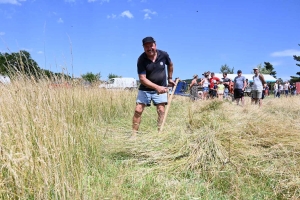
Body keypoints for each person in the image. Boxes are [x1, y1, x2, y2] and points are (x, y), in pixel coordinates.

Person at [132, 36, 175, 137]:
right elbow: (142, 79)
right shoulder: (141, 59)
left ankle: (160, 133)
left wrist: (170, 78)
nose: (149, 48)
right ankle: (134, 135)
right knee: (138, 109)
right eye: (146, 46)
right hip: (145, 89)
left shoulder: (164, 55)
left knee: (161, 110)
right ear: (143, 47)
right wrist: (157, 87)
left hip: (161, 87)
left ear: (155, 45)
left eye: (151, 45)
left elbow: (170, 64)